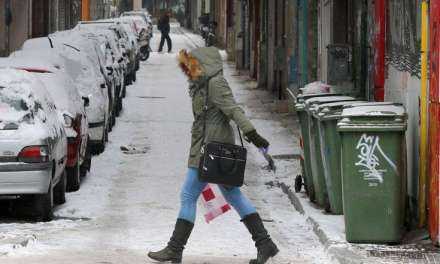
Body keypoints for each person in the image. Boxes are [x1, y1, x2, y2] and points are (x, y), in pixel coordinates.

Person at [147, 47, 279, 264]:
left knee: (189, 195)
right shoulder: (200, 86)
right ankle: (265, 244)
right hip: (204, 147)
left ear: (203, 65)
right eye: (186, 67)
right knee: (233, 195)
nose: (188, 71)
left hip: (213, 151)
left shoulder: (215, 84)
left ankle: (174, 249)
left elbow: (234, 110)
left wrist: (253, 135)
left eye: (191, 66)